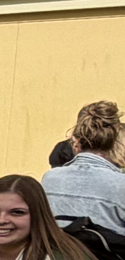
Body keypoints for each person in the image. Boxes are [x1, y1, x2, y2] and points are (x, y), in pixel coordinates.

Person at [41, 100, 125, 235]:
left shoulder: (49, 179)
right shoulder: (121, 184)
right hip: (106, 255)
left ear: (75, 142)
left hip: (55, 253)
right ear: (115, 143)